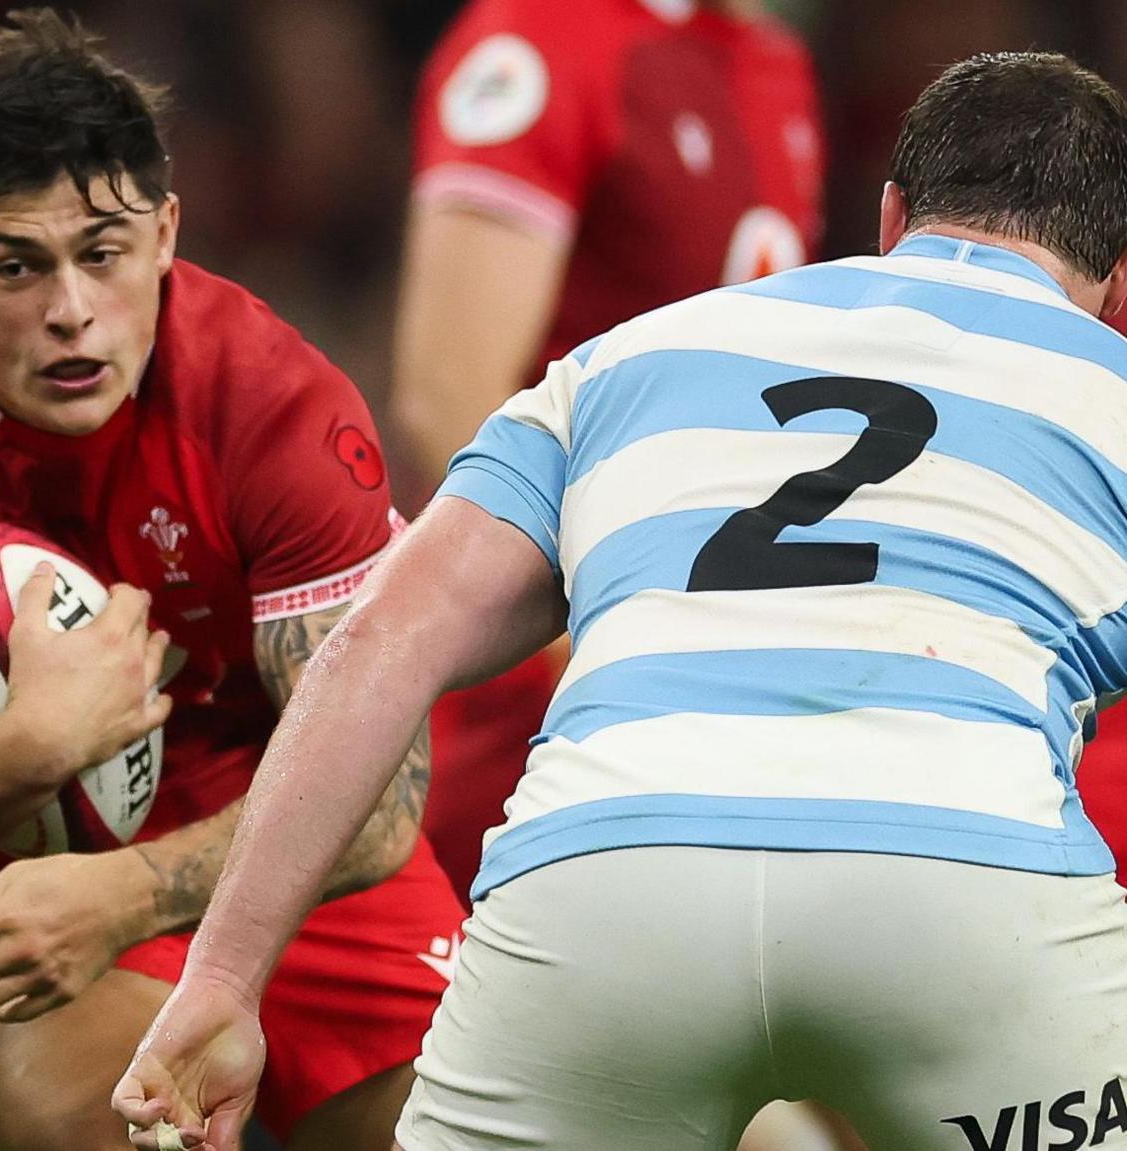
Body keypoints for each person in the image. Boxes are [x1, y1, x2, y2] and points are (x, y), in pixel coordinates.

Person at [120, 51, 1127, 1151]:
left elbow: (380, 639)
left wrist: (223, 978)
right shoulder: (1106, 388)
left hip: (604, 884)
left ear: (889, 218)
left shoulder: (622, 359)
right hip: (966, 891)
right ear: (1117, 280)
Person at [0, 12, 460, 1151]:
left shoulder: (272, 400)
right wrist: (28, 747)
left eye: (103, 252)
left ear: (165, 233)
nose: (69, 309)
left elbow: (378, 799)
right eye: (15, 266)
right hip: (27, 868)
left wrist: (131, 893)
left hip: (286, 829)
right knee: (101, 1127)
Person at [395, 0, 824, 911]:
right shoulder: (541, 41)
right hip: (553, 677)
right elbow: (447, 397)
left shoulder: (771, 64)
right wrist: (603, 642)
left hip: (717, 654)